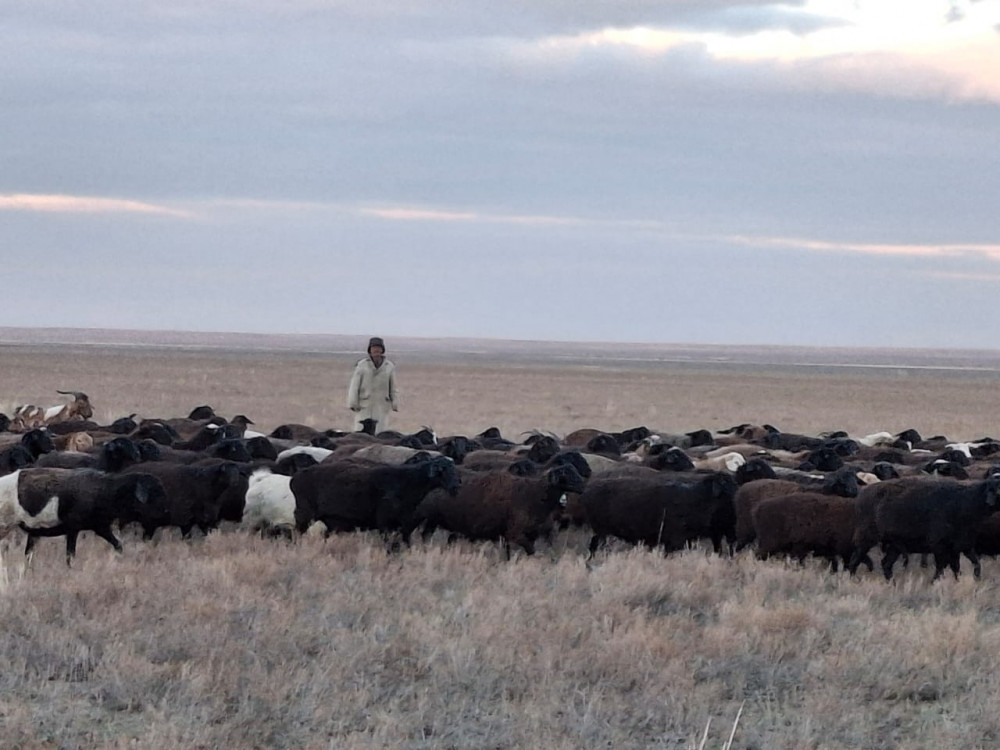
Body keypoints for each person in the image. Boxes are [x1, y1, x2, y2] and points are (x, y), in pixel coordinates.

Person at [346, 336, 399, 432]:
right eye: (374, 348)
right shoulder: (362, 365)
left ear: (382, 350)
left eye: (379, 348)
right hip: (364, 405)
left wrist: (394, 402)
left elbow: (393, 387)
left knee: (380, 433)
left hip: (381, 405)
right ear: (369, 350)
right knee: (362, 434)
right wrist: (353, 403)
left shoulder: (389, 366)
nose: (376, 350)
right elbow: (354, 386)